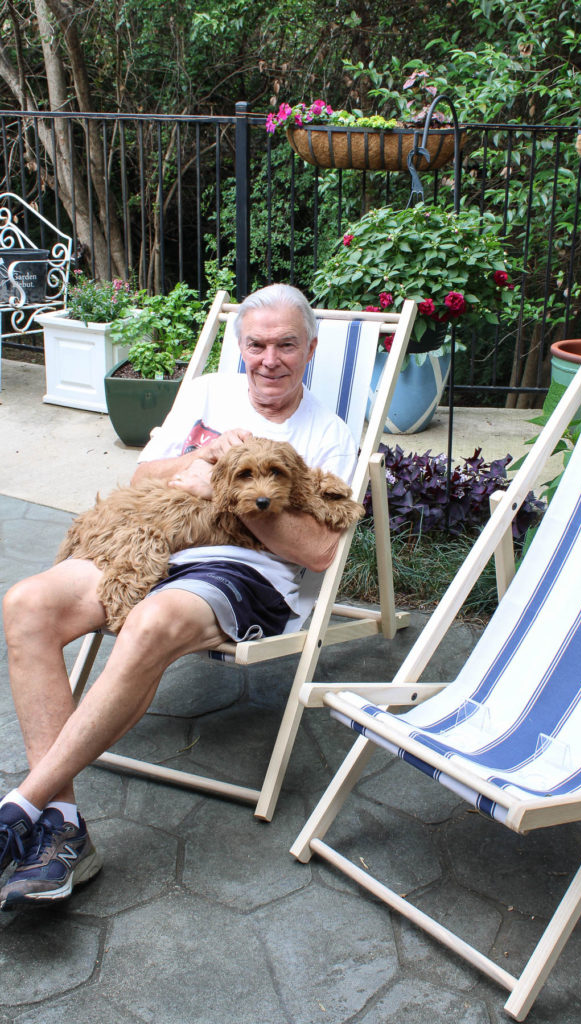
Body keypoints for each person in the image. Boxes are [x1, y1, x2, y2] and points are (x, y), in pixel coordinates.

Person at [0, 283, 357, 911]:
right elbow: (144, 474)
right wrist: (200, 458)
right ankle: (60, 826)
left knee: (151, 618)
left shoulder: (327, 431)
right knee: (26, 602)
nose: (269, 359)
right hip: (155, 540)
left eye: (285, 346)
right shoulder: (206, 393)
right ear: (239, 346)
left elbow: (320, 551)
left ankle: (20, 806)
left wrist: (234, 490)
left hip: (246, 571)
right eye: (256, 344)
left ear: (311, 349)